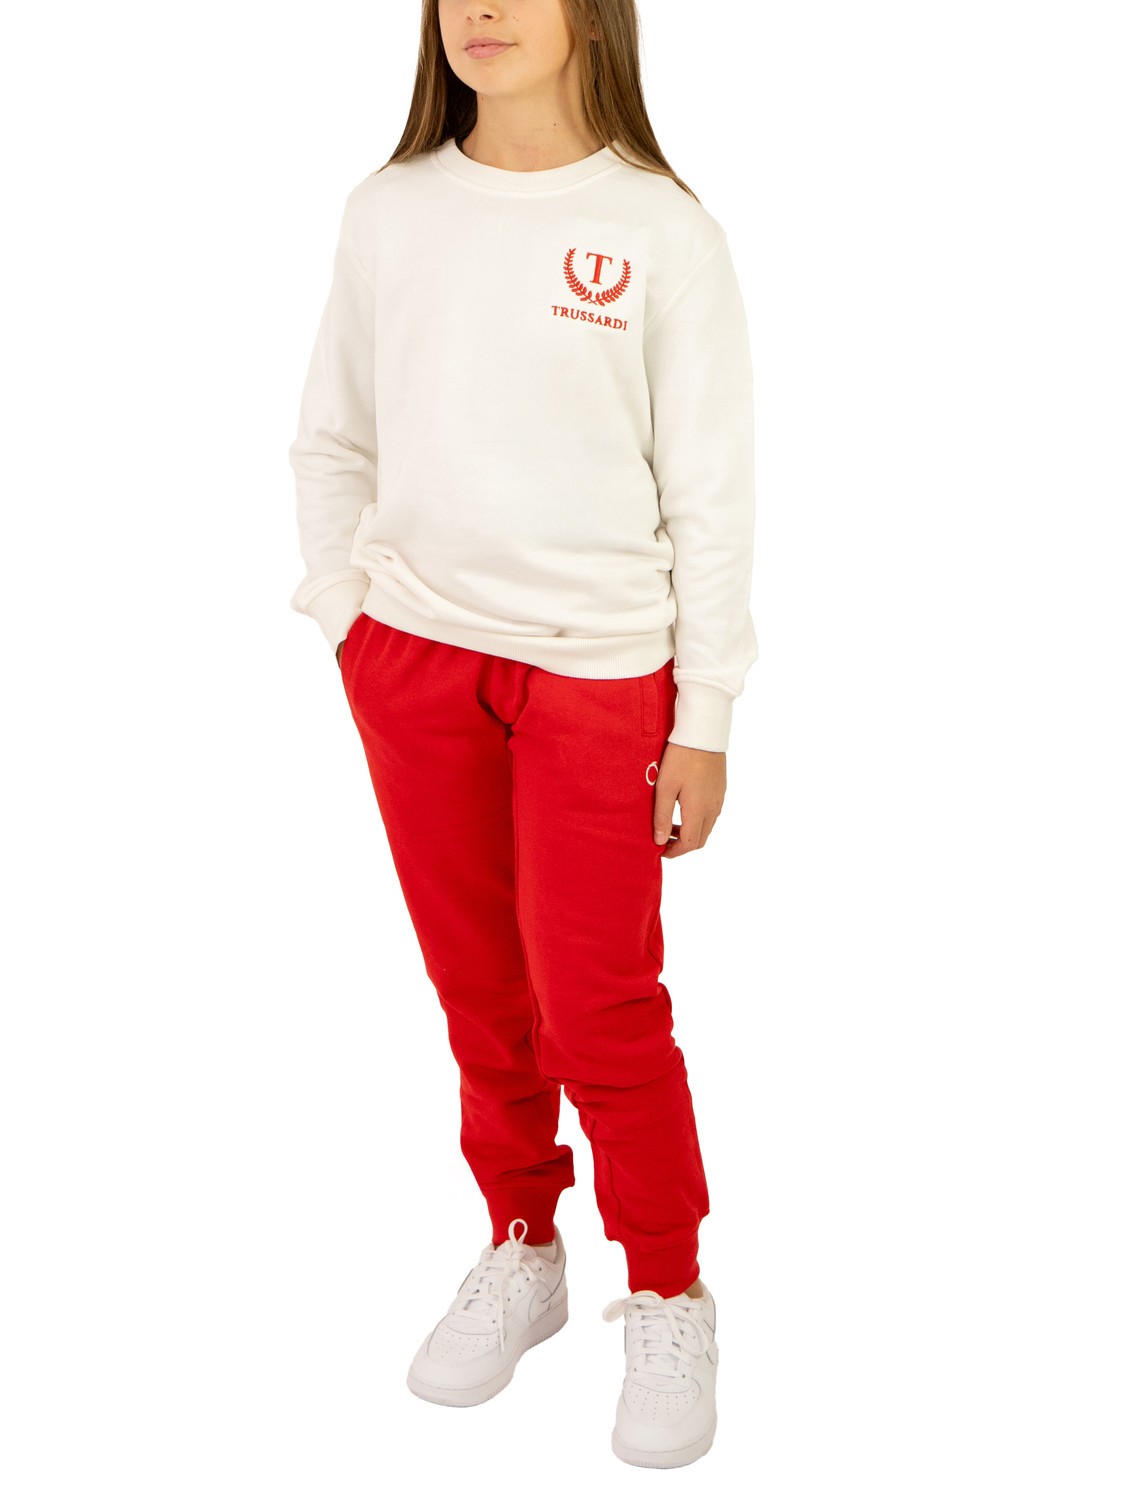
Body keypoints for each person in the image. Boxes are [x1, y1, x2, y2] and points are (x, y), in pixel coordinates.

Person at [287, 0, 756, 1471]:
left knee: (598, 1004)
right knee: (481, 991)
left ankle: (667, 1286)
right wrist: (349, 617)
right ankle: (520, 1241)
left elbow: (711, 496)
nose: (481, 8)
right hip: (416, 663)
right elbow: (333, 436)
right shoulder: (390, 211)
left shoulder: (659, 230)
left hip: (598, 677)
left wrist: (705, 712)